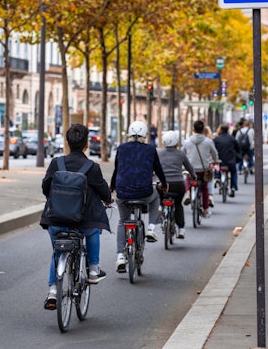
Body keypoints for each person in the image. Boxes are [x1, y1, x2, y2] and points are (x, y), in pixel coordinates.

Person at [40, 123, 112, 310]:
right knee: (93, 231)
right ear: (86, 144)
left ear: (67, 142)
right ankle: (94, 269)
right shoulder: (92, 167)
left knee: (57, 251)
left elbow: (45, 187)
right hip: (83, 221)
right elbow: (104, 191)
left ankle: (53, 292)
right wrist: (108, 200)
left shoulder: (57, 163)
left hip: (55, 220)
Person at [111, 120, 168, 273]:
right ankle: (150, 228)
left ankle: (120, 257)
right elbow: (158, 167)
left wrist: (112, 187)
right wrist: (164, 183)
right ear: (145, 135)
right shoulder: (150, 149)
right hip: (144, 192)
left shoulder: (121, 148)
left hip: (123, 193)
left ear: (129, 134)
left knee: (123, 221)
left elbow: (117, 170)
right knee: (156, 195)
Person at [157, 130, 196, 239]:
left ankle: (161, 206)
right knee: (178, 204)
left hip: (163, 184)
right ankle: (181, 229)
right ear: (176, 142)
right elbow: (189, 168)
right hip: (178, 184)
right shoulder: (181, 154)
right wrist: (193, 175)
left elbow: (153, 166)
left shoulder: (158, 153)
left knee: (159, 194)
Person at [182, 120, 219, 218]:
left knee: (188, 177)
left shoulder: (187, 142)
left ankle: (188, 193)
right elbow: (214, 154)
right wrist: (215, 161)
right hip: (203, 170)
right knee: (205, 188)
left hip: (191, 170)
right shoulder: (208, 141)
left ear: (193, 129)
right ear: (203, 130)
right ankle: (205, 210)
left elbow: (182, 154)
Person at [213, 124, 239, 197]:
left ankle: (217, 177)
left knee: (216, 166)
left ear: (220, 129)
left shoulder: (217, 139)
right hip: (230, 160)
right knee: (233, 172)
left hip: (220, 160)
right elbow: (238, 148)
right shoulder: (232, 139)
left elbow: (213, 150)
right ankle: (233, 187)